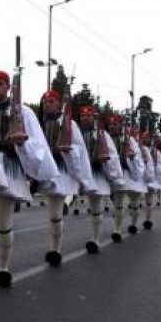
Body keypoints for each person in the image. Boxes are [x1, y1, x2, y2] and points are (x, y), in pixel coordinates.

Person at [0, 70, 57, 287]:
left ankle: (2, 268)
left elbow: (37, 143)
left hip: (7, 165)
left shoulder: (24, 113)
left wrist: (23, 143)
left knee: (3, 224)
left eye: (0, 83)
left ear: (9, 87)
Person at [35, 90, 95, 266]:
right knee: (51, 211)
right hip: (44, 168)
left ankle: (55, 249)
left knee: (55, 213)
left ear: (58, 103)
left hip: (61, 169)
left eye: (51, 102)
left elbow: (79, 147)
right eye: (45, 102)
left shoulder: (69, 124)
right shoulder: (39, 123)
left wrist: (68, 149)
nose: (47, 105)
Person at [76, 106, 123, 253]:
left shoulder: (103, 134)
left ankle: (95, 239)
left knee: (96, 207)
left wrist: (107, 162)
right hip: (81, 172)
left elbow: (113, 156)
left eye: (88, 116)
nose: (85, 118)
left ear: (94, 118)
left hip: (98, 173)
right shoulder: (75, 133)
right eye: (83, 116)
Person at [106, 116, 146, 241]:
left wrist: (132, 157)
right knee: (118, 204)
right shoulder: (106, 139)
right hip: (117, 175)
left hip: (130, 175)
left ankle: (133, 223)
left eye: (115, 124)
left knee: (134, 204)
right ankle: (117, 230)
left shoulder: (130, 140)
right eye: (111, 124)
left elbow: (138, 157)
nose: (112, 127)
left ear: (120, 126)